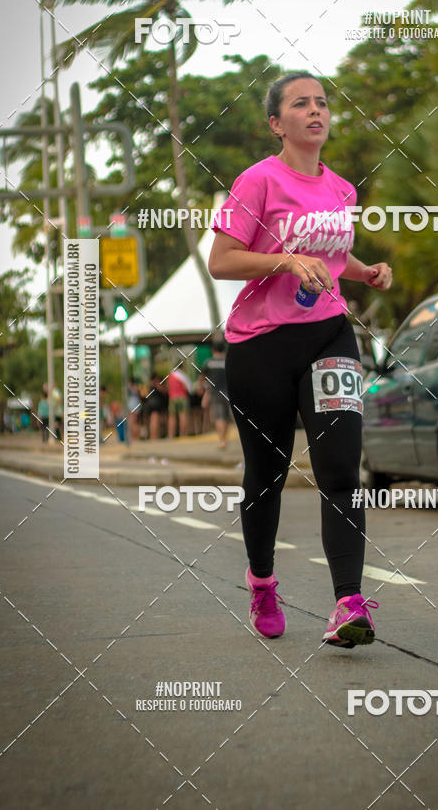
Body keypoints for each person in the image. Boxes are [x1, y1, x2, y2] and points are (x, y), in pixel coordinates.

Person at [208, 71, 392, 648]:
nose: (316, 111)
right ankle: (262, 582)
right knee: (269, 475)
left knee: (341, 470)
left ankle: (348, 603)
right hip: (260, 345)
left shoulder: (342, 190)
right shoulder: (258, 181)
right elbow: (222, 260)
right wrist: (284, 262)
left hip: (329, 337)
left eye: (321, 103)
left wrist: (364, 272)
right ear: (276, 122)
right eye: (300, 104)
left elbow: (329, 252)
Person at [198, 338, 231, 448]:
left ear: (213, 350)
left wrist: (203, 388)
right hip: (228, 393)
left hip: (215, 394)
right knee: (226, 417)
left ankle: (222, 440)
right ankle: (225, 438)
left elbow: (202, 378)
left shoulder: (209, 363)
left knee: (218, 417)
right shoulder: (228, 361)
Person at [167, 367, 193, 438]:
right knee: (183, 415)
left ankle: (171, 435)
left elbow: (168, 387)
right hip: (182, 397)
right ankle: (183, 434)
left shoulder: (170, 375)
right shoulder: (182, 375)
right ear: (181, 367)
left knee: (172, 417)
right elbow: (188, 387)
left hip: (172, 398)